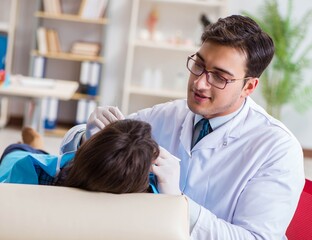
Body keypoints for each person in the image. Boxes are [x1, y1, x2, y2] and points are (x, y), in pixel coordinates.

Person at [60, 15, 305, 239]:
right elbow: (69, 151)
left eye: (219, 77)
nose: (199, 83)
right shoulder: (168, 114)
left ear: (249, 87)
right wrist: (88, 137)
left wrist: (178, 203)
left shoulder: (278, 149)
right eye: (198, 64)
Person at [0, 119, 172, 194]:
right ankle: (37, 146)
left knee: (18, 149)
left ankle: (35, 145)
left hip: (23, 162)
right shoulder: (145, 192)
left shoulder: (33, 169)